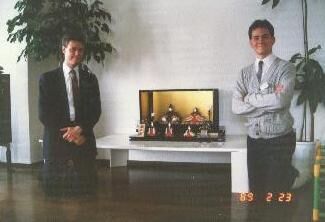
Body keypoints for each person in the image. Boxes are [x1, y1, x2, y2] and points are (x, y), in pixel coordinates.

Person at [232, 19, 298, 202]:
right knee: (256, 192)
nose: (260, 41)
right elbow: (236, 107)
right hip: (254, 141)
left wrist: (250, 98)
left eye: (265, 36)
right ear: (250, 42)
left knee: (277, 195)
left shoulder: (286, 68)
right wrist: (268, 104)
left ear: (273, 40)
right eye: (255, 38)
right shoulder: (243, 74)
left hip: (280, 140)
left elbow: (281, 99)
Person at [39, 32, 101, 196]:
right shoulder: (47, 79)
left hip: (84, 140)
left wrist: (80, 129)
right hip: (56, 143)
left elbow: (95, 111)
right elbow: (45, 114)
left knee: (89, 193)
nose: (77, 53)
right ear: (63, 49)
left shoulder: (90, 79)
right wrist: (70, 134)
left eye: (81, 50)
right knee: (54, 196)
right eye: (73, 49)